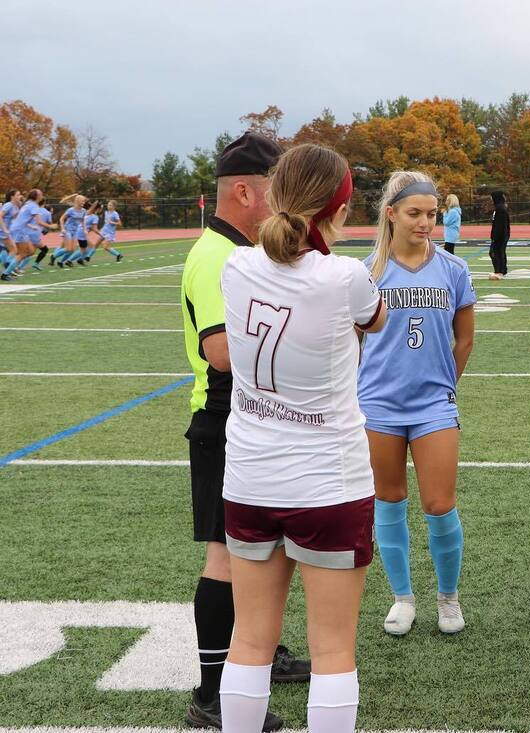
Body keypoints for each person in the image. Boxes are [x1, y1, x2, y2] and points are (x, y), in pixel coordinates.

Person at [219, 143, 386, 733]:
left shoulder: (236, 265)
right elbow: (376, 318)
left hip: (248, 475)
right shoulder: (344, 276)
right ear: (338, 208)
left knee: (249, 639)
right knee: (334, 650)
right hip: (326, 481)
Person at [180, 131, 309, 732]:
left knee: (265, 549)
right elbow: (223, 351)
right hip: (225, 421)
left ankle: (260, 650)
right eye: (276, 193)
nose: (285, 206)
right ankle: (211, 694)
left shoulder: (241, 250)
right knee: (227, 557)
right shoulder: (218, 255)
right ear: (243, 192)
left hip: (251, 420)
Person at [357, 170, 476, 636]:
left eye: (431, 214)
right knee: (388, 501)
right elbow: (353, 343)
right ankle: (402, 597)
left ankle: (448, 597)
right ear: (391, 214)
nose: (426, 222)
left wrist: (446, 384)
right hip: (378, 405)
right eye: (415, 213)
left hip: (434, 405)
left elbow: (464, 340)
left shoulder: (453, 269)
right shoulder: (367, 272)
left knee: (440, 504)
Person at [4, 189, 47, 279]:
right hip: (13, 230)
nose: (20, 196)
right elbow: (39, 221)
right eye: (18, 195)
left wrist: (31, 226)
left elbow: (21, 219)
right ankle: (7, 271)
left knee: (30, 251)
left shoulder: (25, 204)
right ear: (37, 196)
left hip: (19, 230)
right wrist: (52, 226)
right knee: (18, 252)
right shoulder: (11, 205)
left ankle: (11, 265)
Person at [488, 189, 510, 280]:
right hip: (501, 235)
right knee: (499, 252)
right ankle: (501, 270)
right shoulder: (499, 208)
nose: (491, 200)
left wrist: (495, 237)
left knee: (496, 252)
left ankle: (499, 271)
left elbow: (500, 225)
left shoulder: (500, 209)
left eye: (492, 198)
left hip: (500, 236)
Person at [1, 190, 21, 271]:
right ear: (12, 197)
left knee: (7, 250)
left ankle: (8, 268)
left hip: (9, 232)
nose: (20, 196)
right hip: (3, 231)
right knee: (13, 249)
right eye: (18, 195)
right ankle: (7, 269)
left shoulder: (14, 206)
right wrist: (4, 229)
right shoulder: (8, 205)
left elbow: (14, 218)